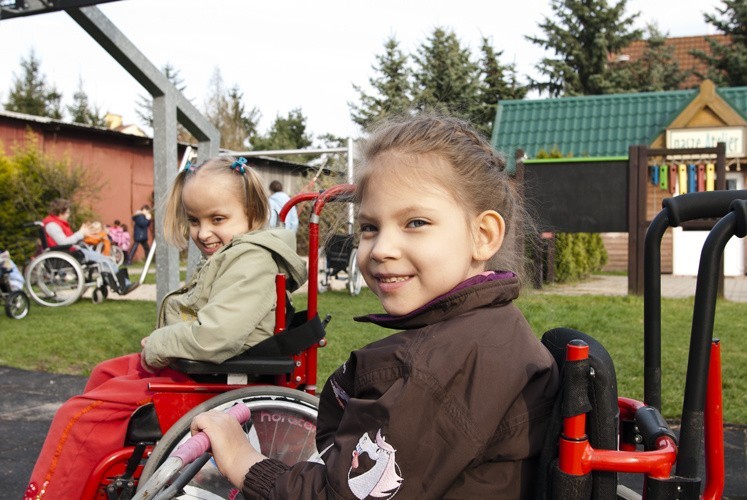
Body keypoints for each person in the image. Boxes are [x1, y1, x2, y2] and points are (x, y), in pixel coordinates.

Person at [191, 113, 560, 499]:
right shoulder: (486, 332)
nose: (381, 249)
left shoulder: (443, 369)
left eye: (415, 222)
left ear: (483, 236)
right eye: (369, 227)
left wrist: (244, 461)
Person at [24, 156, 308, 499]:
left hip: (210, 372)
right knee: (104, 372)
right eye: (194, 220)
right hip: (204, 367)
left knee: (77, 417)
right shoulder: (236, 255)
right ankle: (101, 457)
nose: (203, 232)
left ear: (253, 214)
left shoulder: (252, 261)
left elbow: (215, 335)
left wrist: (160, 342)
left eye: (217, 219)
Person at [42, 198, 136, 294]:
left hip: (72, 251)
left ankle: (120, 284)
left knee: (106, 260)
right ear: (60, 212)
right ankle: (123, 285)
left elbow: (68, 240)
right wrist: (81, 233)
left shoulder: (56, 223)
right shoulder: (52, 225)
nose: (68, 215)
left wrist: (84, 234)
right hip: (67, 255)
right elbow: (63, 242)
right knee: (105, 261)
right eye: (67, 213)